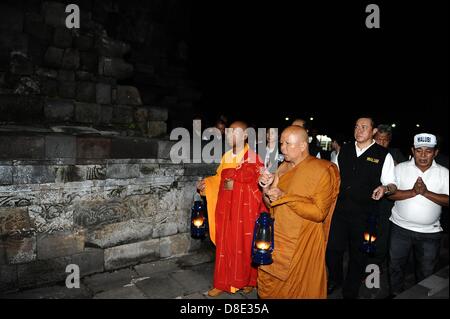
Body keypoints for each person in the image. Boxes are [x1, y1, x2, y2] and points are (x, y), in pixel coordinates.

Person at [257, 126, 340, 298]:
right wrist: (266, 190)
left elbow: (319, 213)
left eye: (288, 144)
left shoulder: (323, 170)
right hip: (279, 236)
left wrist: (286, 196)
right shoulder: (282, 168)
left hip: (304, 240)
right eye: (281, 143)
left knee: (300, 290)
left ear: (303, 146)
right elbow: (271, 204)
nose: (282, 148)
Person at [326, 117, 397, 299]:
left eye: (364, 127)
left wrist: (385, 188)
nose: (359, 130)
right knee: (332, 250)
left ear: (373, 131)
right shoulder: (344, 150)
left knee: (359, 255)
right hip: (340, 212)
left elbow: (392, 185)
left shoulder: (383, 154)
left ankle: (351, 290)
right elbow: (333, 177)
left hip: (365, 215)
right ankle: (335, 279)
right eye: (356, 126)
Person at [197, 121, 266, 297]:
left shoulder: (252, 156)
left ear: (245, 135)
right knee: (224, 246)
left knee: (243, 246)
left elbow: (257, 184)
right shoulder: (227, 156)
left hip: (245, 212)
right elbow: (219, 179)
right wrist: (206, 184)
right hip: (226, 209)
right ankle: (222, 283)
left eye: (234, 132)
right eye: (228, 133)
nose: (229, 136)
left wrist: (234, 177)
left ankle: (248, 281)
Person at [388, 133, 449, 296]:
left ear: (435, 152)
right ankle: (396, 294)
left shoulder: (445, 173)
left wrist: (426, 193)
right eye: (419, 150)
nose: (423, 155)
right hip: (399, 229)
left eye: (428, 151)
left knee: (427, 273)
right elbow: (390, 194)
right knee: (395, 267)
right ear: (412, 151)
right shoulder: (399, 168)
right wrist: (413, 192)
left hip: (430, 233)